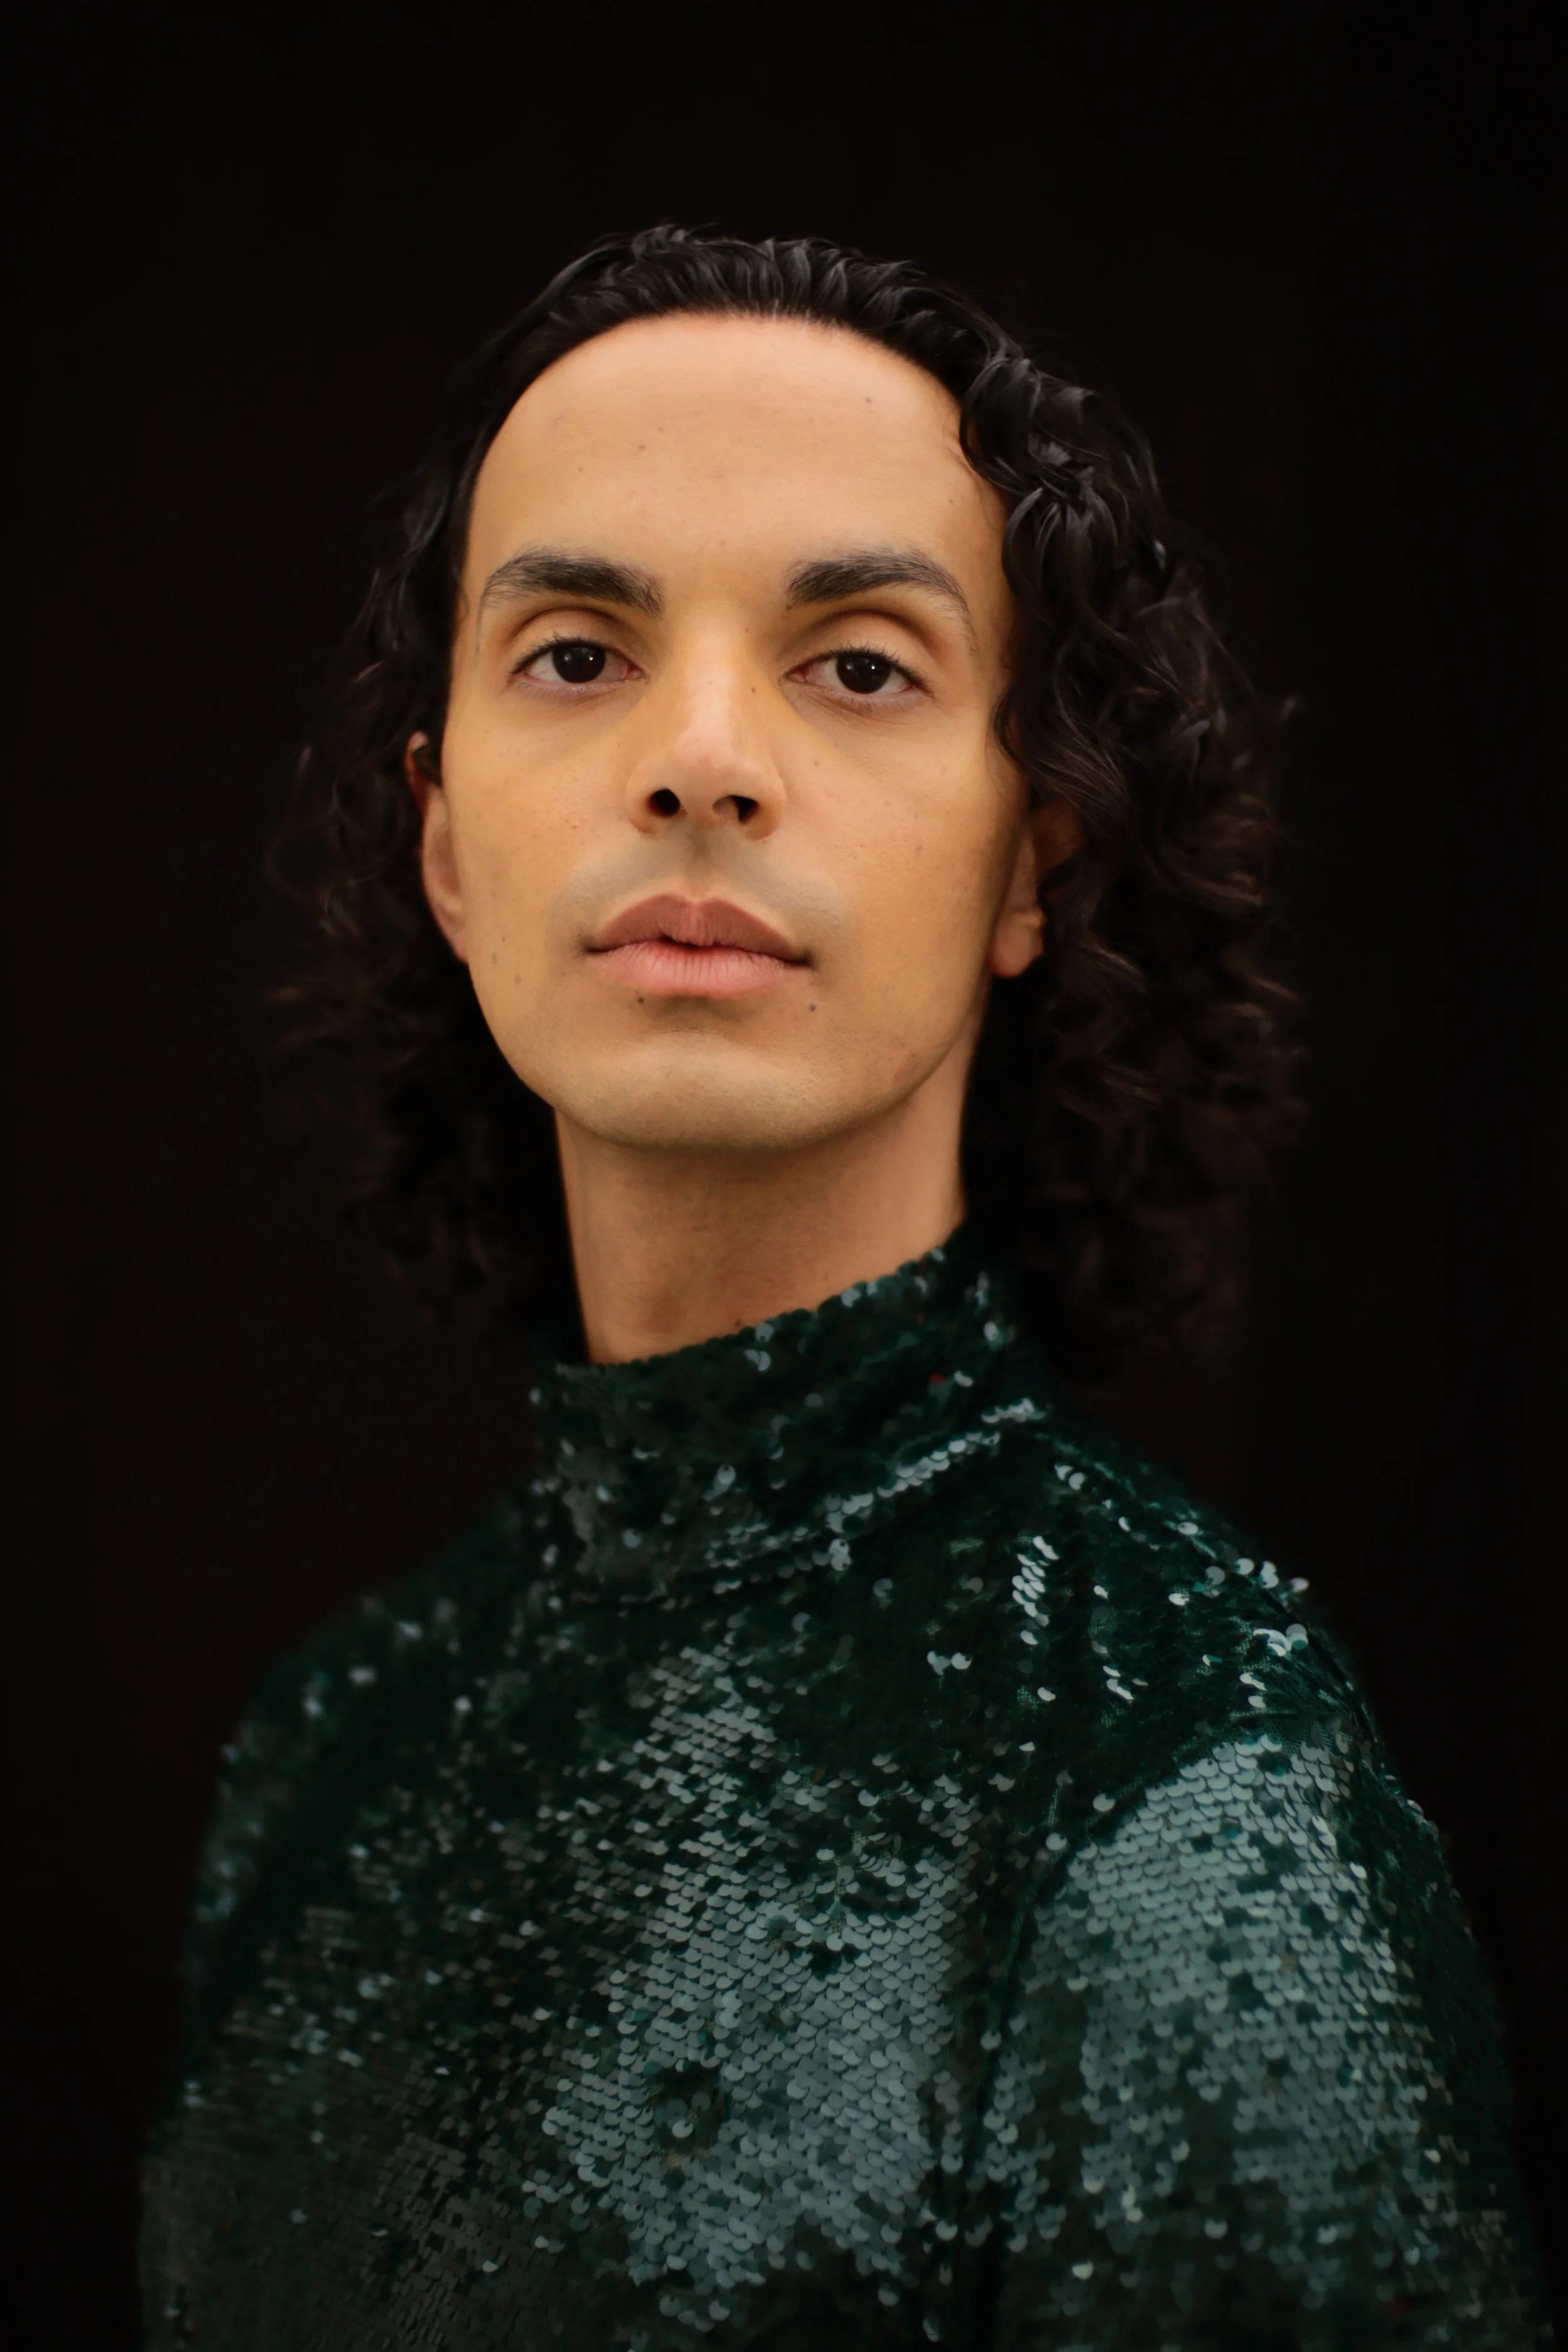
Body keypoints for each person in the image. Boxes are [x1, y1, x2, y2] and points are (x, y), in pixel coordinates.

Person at [140, 226, 1549, 2349]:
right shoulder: (326, 1749)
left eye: (860, 662)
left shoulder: (1176, 1769)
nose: (700, 759)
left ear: (1027, 861)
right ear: (444, 847)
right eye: (577, 652)